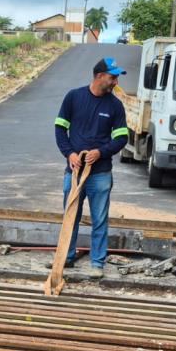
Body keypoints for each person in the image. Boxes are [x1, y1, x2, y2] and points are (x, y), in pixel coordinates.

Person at [53, 57, 129, 279]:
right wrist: (70, 154)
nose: (115, 82)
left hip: (100, 174)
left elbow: (122, 138)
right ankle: (66, 257)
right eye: (112, 77)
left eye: (116, 78)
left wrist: (101, 152)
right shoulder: (74, 97)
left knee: (99, 218)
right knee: (70, 216)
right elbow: (60, 129)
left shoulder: (115, 105)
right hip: (74, 172)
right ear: (99, 76)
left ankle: (97, 263)